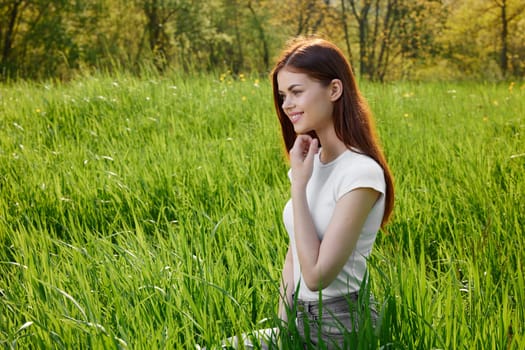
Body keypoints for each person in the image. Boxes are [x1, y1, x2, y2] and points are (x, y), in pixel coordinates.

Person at [272, 36, 395, 348]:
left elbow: (315, 276)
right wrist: (283, 329)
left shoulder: (361, 174)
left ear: (334, 89)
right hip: (298, 320)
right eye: (283, 95)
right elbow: (294, 258)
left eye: (296, 92)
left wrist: (298, 186)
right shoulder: (309, 165)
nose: (287, 104)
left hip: (339, 326)